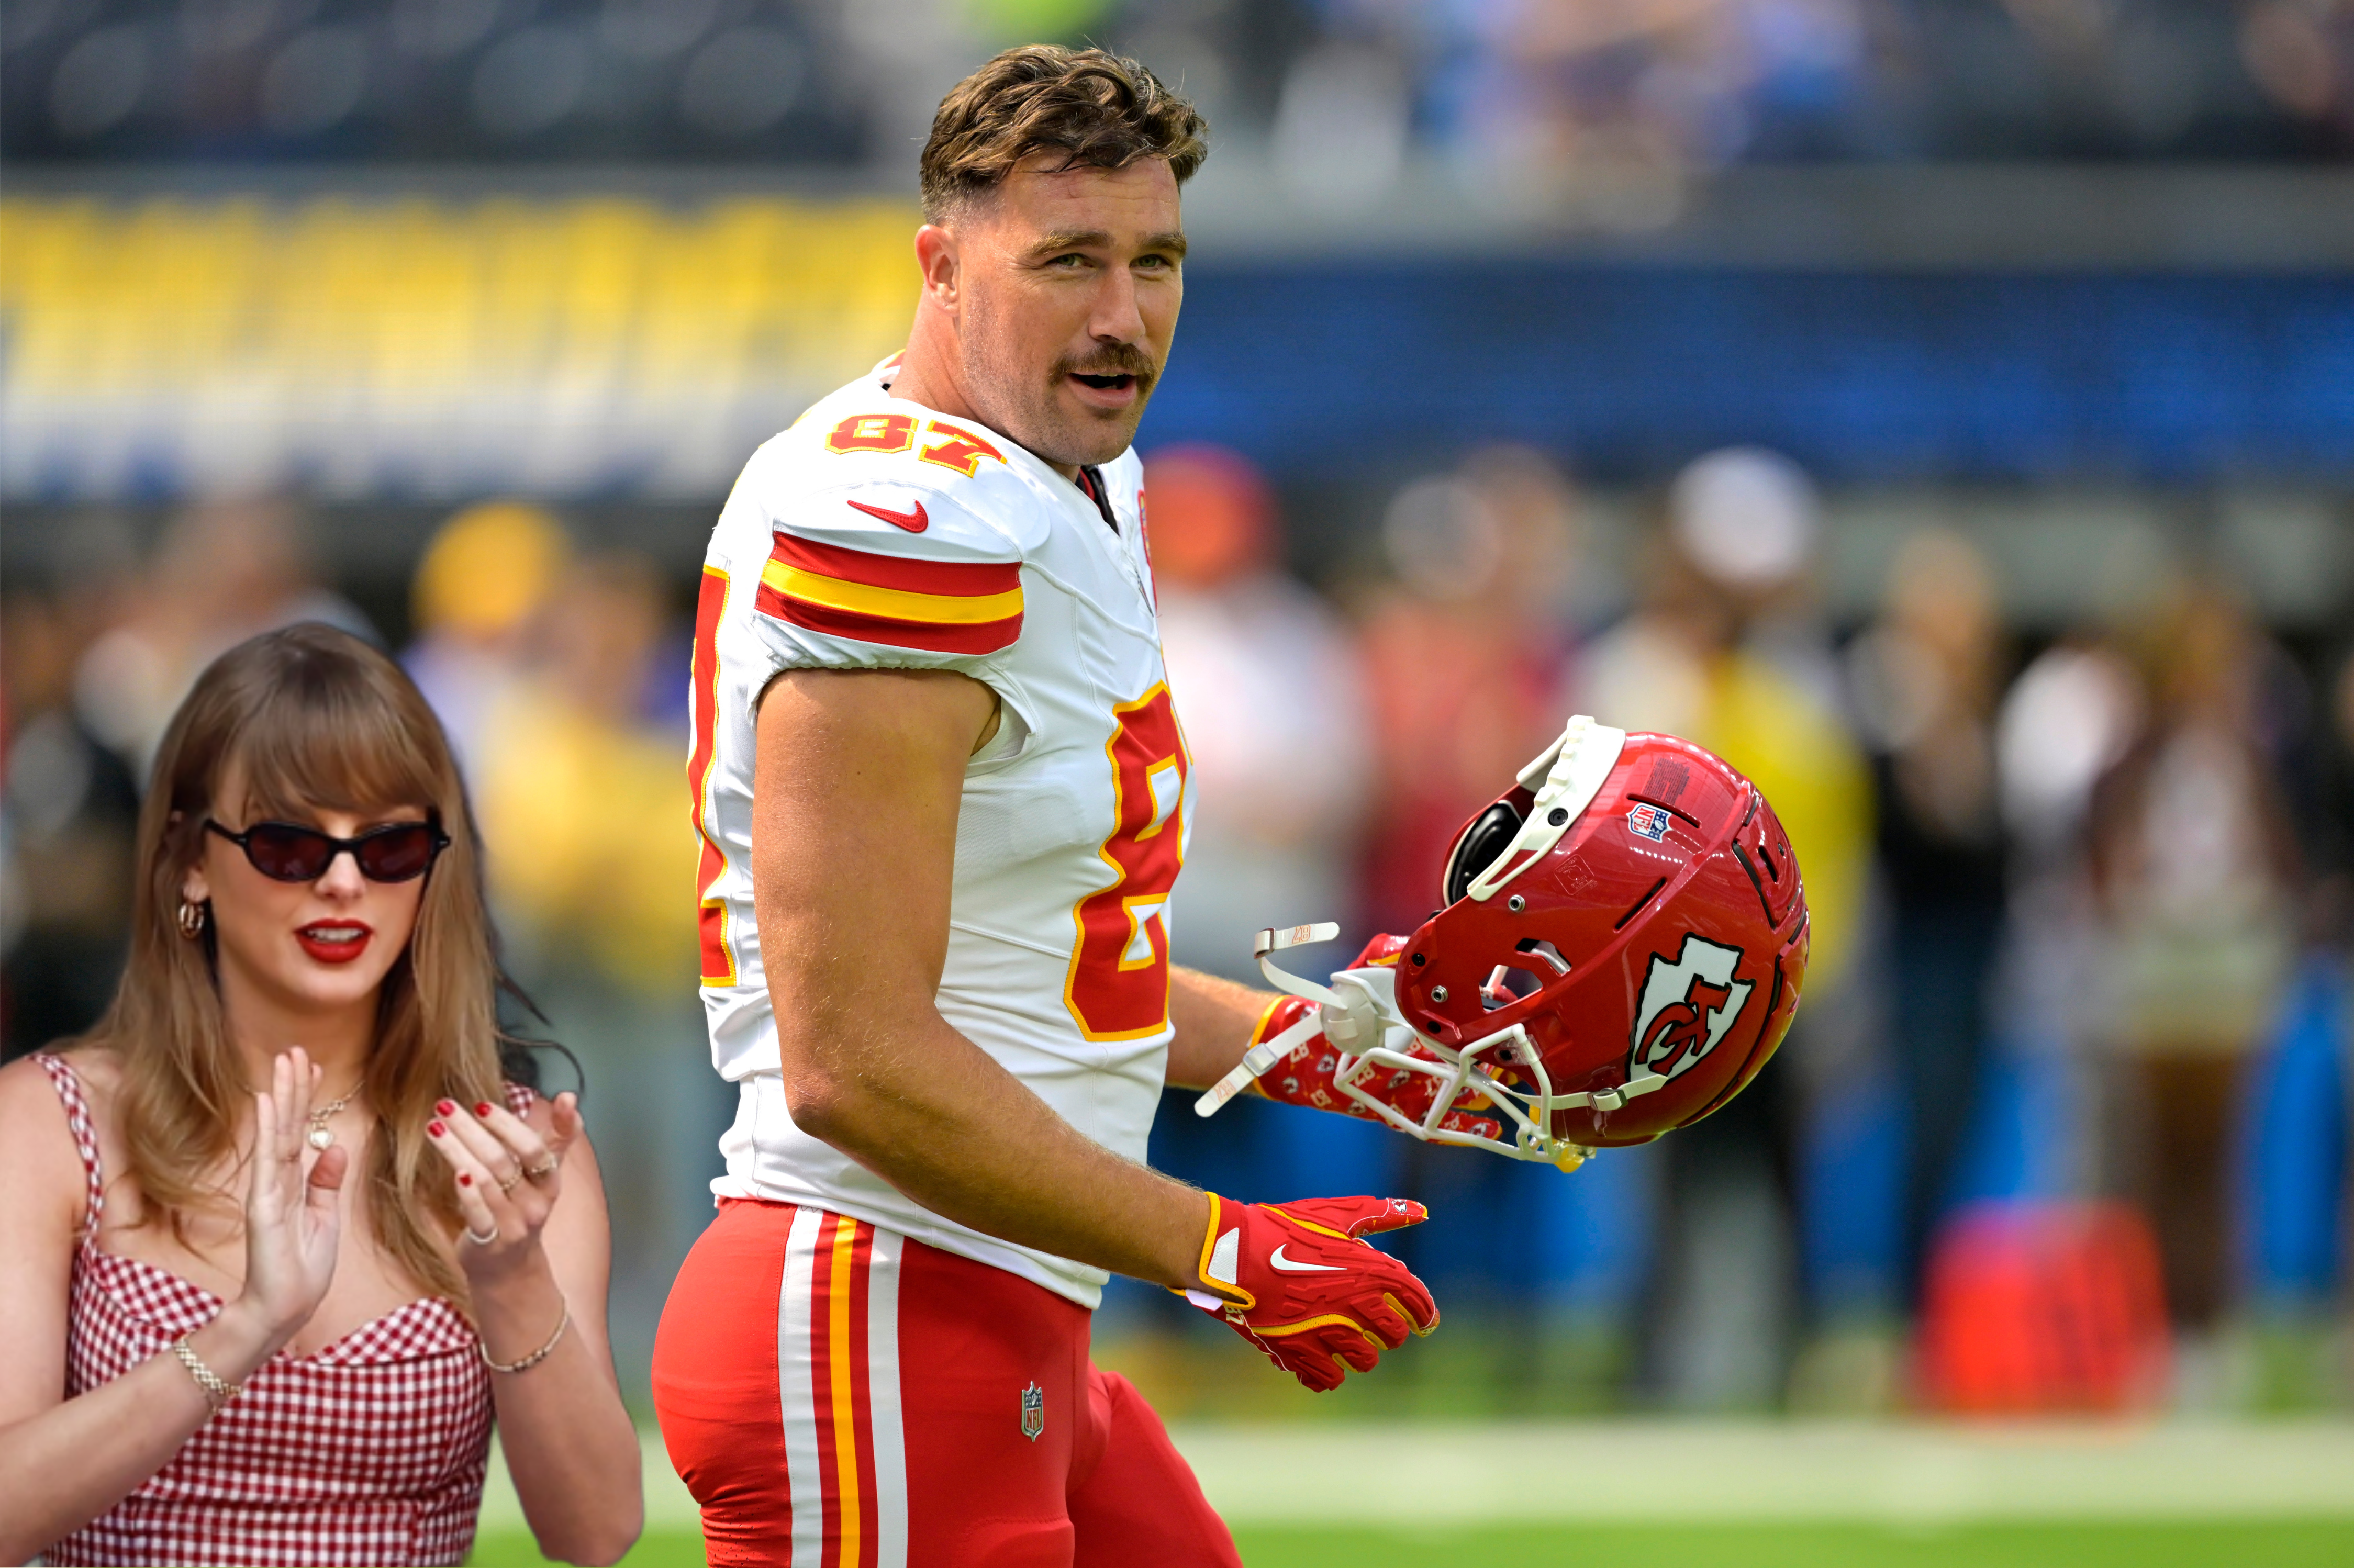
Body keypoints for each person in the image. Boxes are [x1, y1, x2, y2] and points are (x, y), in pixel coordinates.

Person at [651, 47, 1441, 1566]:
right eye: (1066, 259)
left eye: (1155, 261)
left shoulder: (1064, 478)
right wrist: (1214, 1247)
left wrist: (1363, 1047)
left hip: (1001, 1304)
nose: (1121, 313)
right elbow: (855, 1062)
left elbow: (1055, 971)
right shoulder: (902, 522)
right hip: (872, 1306)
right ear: (940, 266)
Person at [0, 624, 642, 1566]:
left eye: (390, 846)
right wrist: (243, 1332)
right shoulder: (53, 1122)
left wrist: (510, 1282)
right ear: (189, 860)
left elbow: (596, 1533)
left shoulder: (507, 1152)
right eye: (289, 844)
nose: (344, 883)